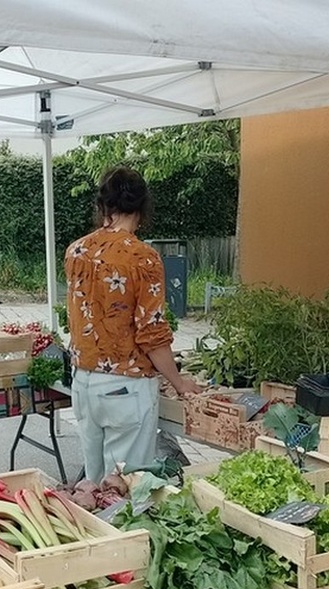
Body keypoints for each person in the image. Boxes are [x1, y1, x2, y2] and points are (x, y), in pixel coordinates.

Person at [64, 166, 203, 484]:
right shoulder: (144, 258)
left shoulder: (77, 250)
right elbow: (152, 333)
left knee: (94, 485)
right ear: (142, 207)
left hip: (84, 383)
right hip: (125, 388)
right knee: (126, 489)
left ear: (104, 206)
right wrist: (179, 383)